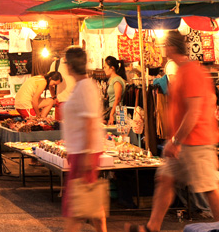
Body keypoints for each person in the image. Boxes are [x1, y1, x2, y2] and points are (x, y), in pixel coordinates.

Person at [126, 32, 219, 232]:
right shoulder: (183, 71)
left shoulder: (192, 72)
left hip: (196, 142)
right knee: (165, 179)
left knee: (209, 187)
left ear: (170, 47)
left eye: (163, 45)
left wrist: (176, 140)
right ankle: (152, 226)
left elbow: (194, 112)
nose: (161, 49)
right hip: (183, 143)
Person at [61, 47, 106, 232]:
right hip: (80, 151)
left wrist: (87, 156)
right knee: (90, 202)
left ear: (70, 65)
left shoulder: (86, 87)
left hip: (84, 152)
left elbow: (89, 121)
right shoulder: (81, 86)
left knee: (75, 205)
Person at [103, 56, 127, 125]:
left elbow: (118, 98)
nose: (104, 69)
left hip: (117, 113)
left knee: (115, 134)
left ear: (112, 68)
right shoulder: (111, 80)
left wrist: (111, 114)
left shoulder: (117, 80)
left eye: (105, 67)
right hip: (112, 111)